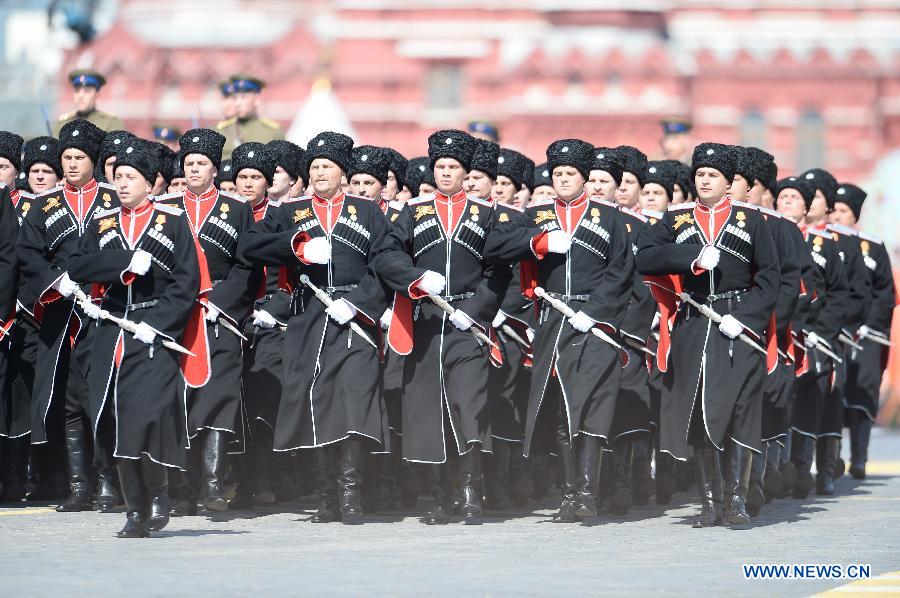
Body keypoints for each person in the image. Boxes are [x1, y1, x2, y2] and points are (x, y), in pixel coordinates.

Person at [241, 131, 390, 524]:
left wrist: (359, 303)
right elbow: (250, 245)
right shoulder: (290, 210)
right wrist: (297, 246)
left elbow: (384, 264)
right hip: (308, 319)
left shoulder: (368, 211)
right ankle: (326, 495)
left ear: (343, 173)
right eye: (315, 167)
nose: (321, 172)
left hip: (354, 318)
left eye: (328, 166)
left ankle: (351, 492)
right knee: (317, 404)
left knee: (355, 399)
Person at [487, 138, 634, 523]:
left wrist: (597, 311)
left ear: (584, 177)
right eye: (558, 174)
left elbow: (621, 272)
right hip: (553, 322)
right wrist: (537, 242)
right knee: (561, 407)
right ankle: (569, 493)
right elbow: (497, 247)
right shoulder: (535, 215)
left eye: (571, 173)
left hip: (595, 324)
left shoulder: (611, 218)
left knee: (590, 406)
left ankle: (588, 492)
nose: (564, 179)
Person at [636, 143, 779, 528]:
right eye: (699, 173)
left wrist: (746, 317)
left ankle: (736, 499)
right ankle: (710, 501)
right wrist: (691, 259)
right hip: (695, 323)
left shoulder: (752, 220)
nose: (704, 180)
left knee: (737, 411)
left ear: (728, 181)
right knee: (699, 411)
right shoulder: (678, 218)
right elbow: (645, 256)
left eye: (712, 174)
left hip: (737, 324)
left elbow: (769, 280)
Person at [67, 138, 201, 537]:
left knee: (148, 415)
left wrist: (158, 323)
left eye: (131, 177)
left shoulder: (173, 221)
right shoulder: (102, 222)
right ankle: (134, 509)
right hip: (112, 331)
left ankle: (159, 495)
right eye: (118, 176)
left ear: (151, 182)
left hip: (153, 332)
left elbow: (187, 281)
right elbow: (78, 265)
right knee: (115, 419)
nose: (122, 184)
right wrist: (122, 263)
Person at [376, 129, 510, 525]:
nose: (446, 172)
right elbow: (385, 256)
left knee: (468, 404)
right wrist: (414, 278)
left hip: (468, 327)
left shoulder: (487, 214)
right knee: (427, 409)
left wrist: (478, 309)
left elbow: (498, 270)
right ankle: (440, 495)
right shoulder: (412, 212)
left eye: (453, 167)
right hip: (427, 324)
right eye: (440, 166)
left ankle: (470, 490)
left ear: (466, 172)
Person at [17, 119, 122, 512]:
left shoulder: (114, 200)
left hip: (105, 312)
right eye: (67, 157)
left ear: (94, 160)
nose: (73, 164)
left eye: (79, 157)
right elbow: (27, 253)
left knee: (104, 397)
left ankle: (109, 484)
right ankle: (79, 486)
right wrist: (53, 281)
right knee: (69, 400)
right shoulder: (44, 204)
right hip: (62, 315)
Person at [156, 128, 261, 515]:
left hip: (222, 314)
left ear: (215, 170)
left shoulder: (237, 209)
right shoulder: (165, 206)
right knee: (180, 398)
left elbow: (247, 264)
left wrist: (219, 301)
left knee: (219, 394)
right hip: (177, 313)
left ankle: (213, 484)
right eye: (189, 164)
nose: (195, 169)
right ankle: (183, 488)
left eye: (201, 163)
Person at [774, 175, 849, 499]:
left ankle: (805, 469)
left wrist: (821, 332)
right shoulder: (768, 235)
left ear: (807, 207)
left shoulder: (826, 245)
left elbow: (837, 295)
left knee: (812, 401)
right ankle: (779, 470)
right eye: (783, 196)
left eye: (795, 197)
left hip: (815, 338)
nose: (788, 202)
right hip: (777, 333)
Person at [806, 168, 870, 495]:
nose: (809, 200)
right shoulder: (794, 234)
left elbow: (858, 292)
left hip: (833, 338)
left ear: (828, 203)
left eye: (815, 195)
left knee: (831, 400)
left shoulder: (844, 243)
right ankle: (798, 469)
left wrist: (838, 327)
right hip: (802, 334)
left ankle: (826, 471)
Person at [831, 183, 896, 479]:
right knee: (831, 396)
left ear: (854, 214)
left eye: (843, 211)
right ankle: (831, 458)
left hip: (866, 335)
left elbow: (885, 293)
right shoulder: (824, 242)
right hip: (832, 331)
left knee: (861, 395)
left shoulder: (873, 246)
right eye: (834, 210)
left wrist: (866, 326)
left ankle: (859, 457)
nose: (837, 216)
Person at [216, 74, 285, 159]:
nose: (237, 103)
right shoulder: (220, 131)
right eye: (235, 98)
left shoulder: (273, 132)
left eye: (243, 98)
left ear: (256, 99)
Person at [53, 69, 124, 136]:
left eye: (87, 91)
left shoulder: (110, 122)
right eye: (77, 91)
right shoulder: (62, 123)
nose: (80, 96)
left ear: (97, 93)